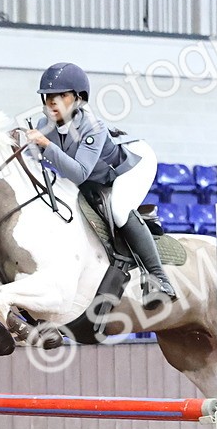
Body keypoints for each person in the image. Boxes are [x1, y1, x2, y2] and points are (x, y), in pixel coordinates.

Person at [25, 62, 177, 305]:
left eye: (61, 96)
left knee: (119, 210)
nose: (52, 101)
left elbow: (80, 173)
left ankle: (159, 278)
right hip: (97, 177)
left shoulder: (93, 126)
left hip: (132, 165)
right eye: (49, 96)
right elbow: (31, 162)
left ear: (78, 98)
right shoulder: (44, 126)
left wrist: (46, 145)